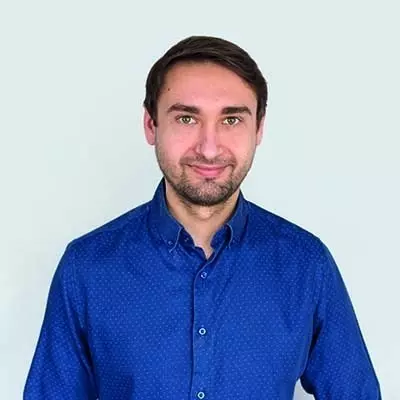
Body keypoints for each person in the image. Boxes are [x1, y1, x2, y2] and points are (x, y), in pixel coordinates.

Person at [24, 36, 381, 399]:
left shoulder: (306, 265)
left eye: (231, 119)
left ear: (258, 128)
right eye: (186, 118)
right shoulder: (87, 268)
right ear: (150, 125)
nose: (209, 149)